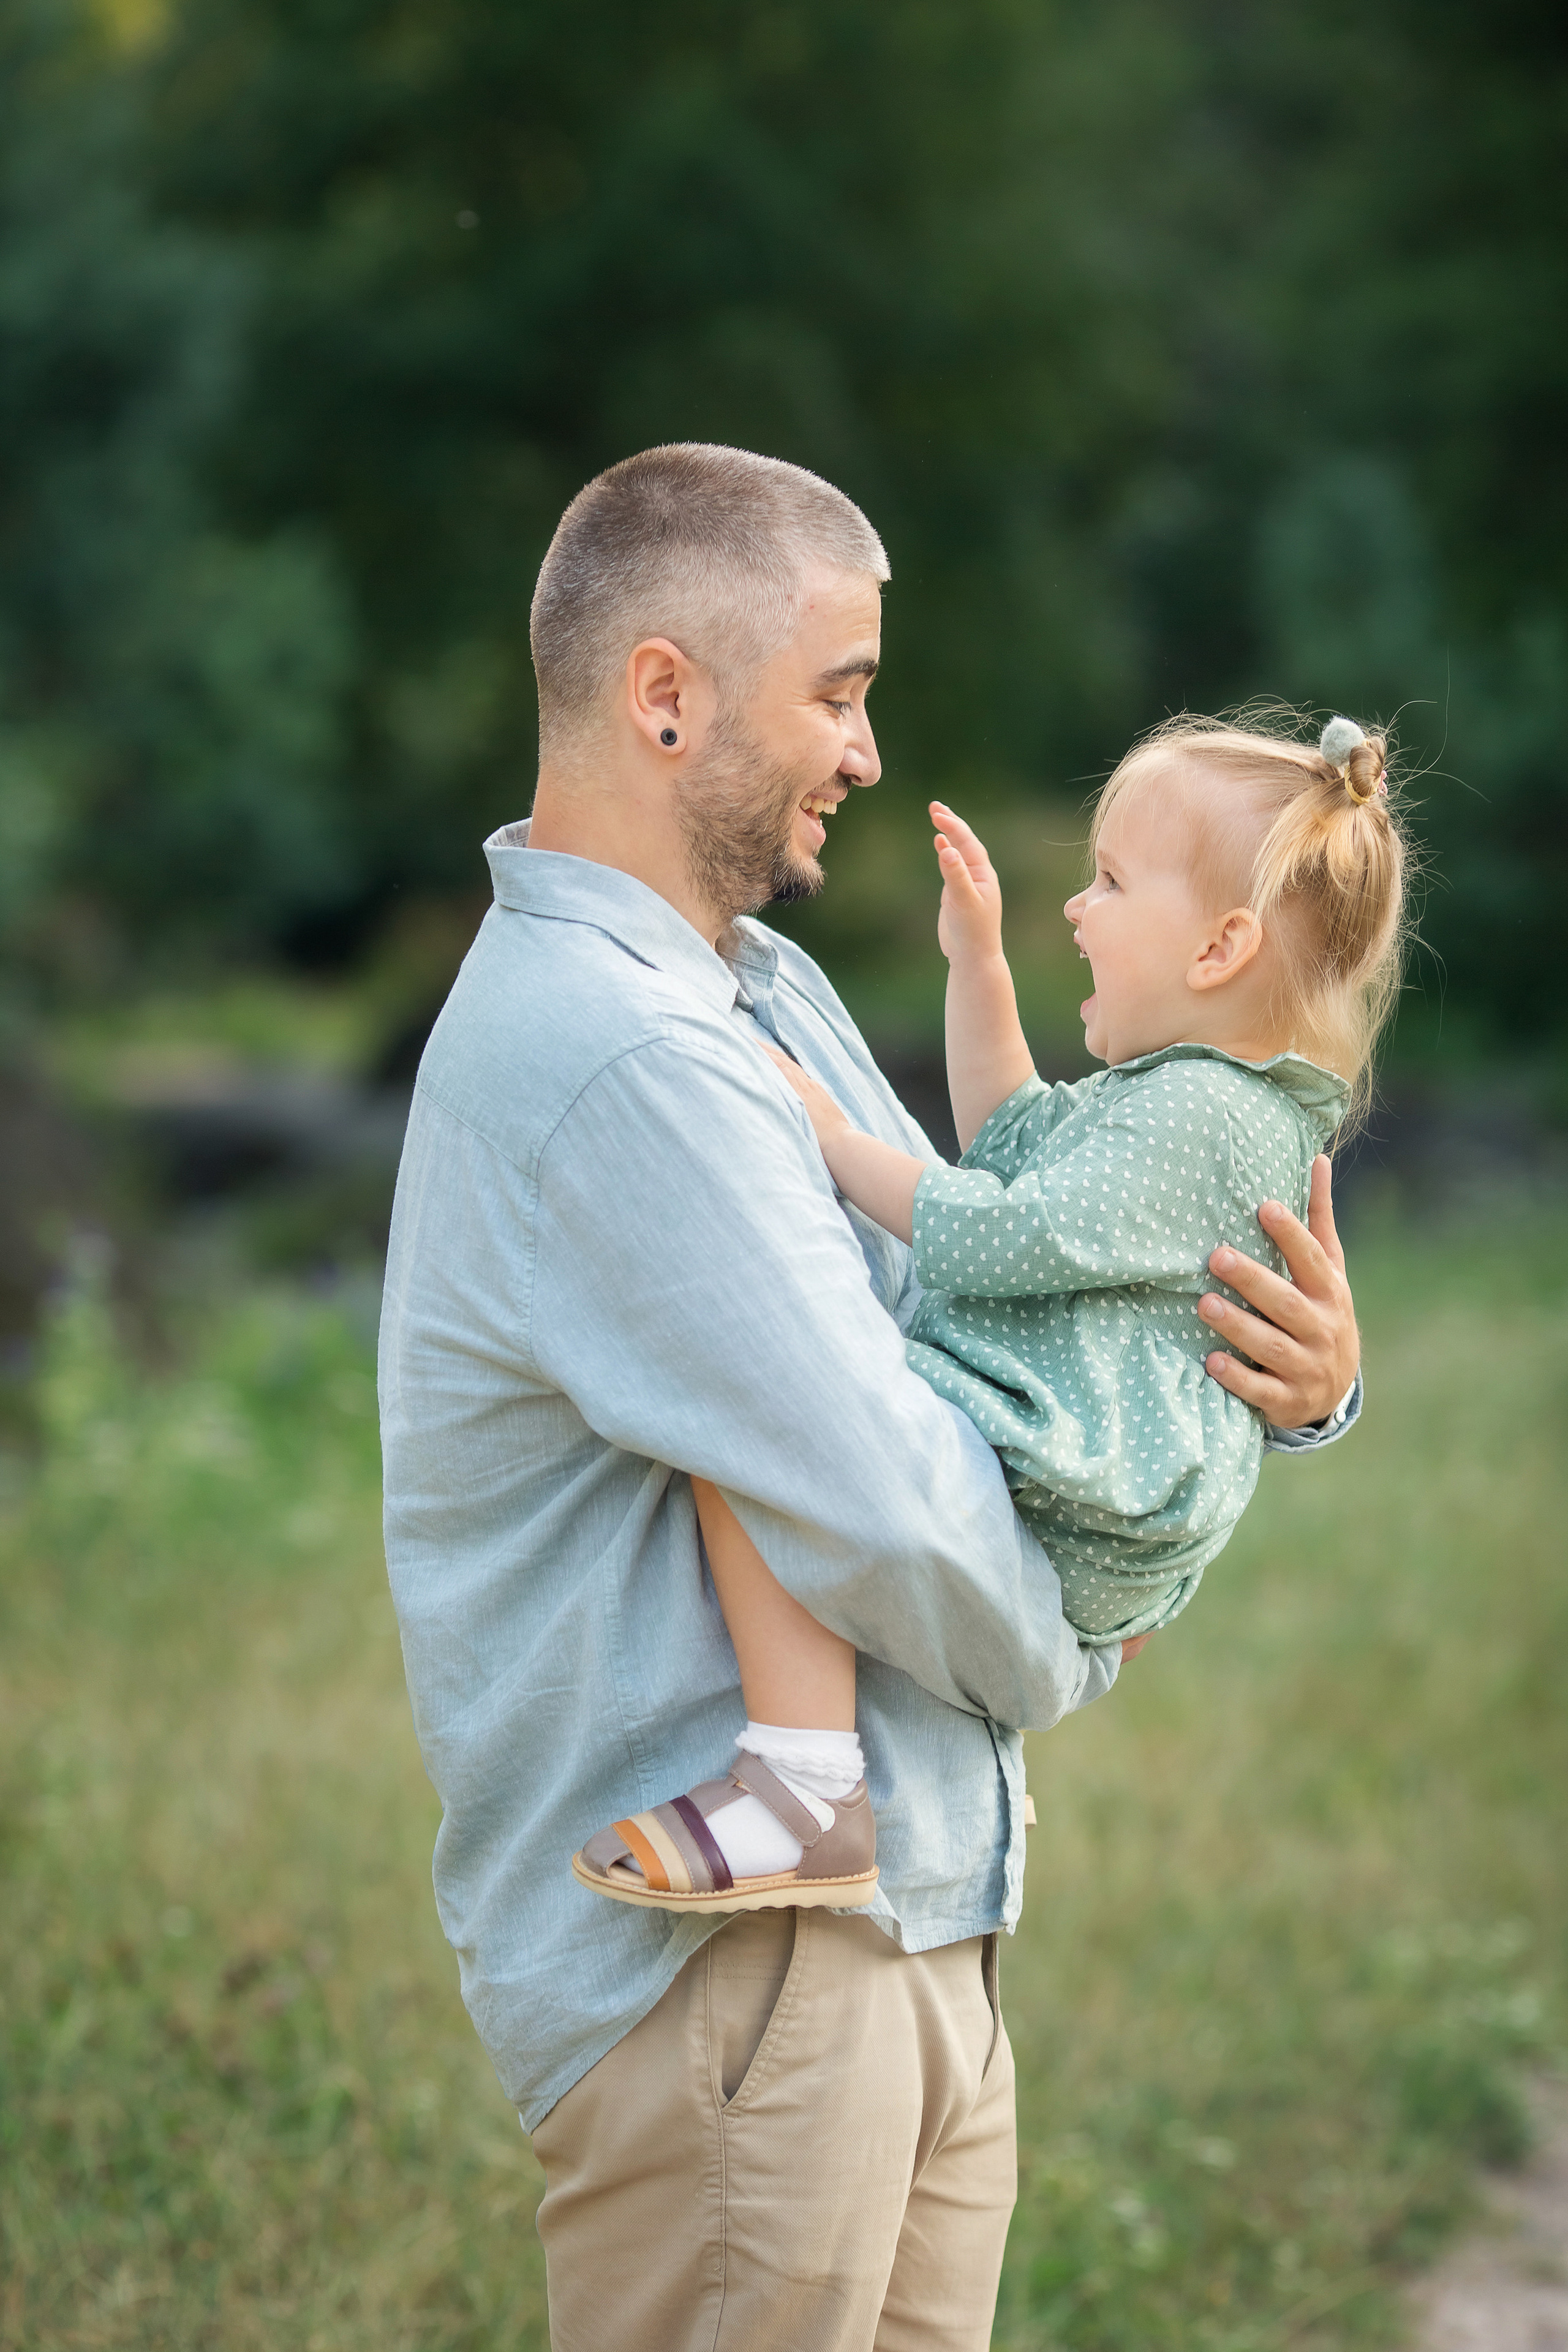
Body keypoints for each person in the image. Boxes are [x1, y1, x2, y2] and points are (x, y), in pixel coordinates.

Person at [377, 443, 1363, 2352]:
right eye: (838, 694)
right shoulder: (624, 1053)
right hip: (744, 1991)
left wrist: (1293, 1391)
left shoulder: (753, 990)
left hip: (900, 1927)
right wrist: (1094, 1634)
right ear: (668, 698)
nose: (866, 749)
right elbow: (894, 1502)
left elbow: (983, 1313)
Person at [573, 712, 1402, 1918]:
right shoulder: (1189, 1096)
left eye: (1110, 882)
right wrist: (980, 967)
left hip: (1072, 1475)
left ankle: (801, 1786)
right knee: (775, 1406)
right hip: (1098, 1490)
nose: (1079, 907)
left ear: (1222, 946)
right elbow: (1012, 1141)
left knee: (752, 1412)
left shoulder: (1205, 1117)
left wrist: (834, 1139)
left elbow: (1008, 1230)